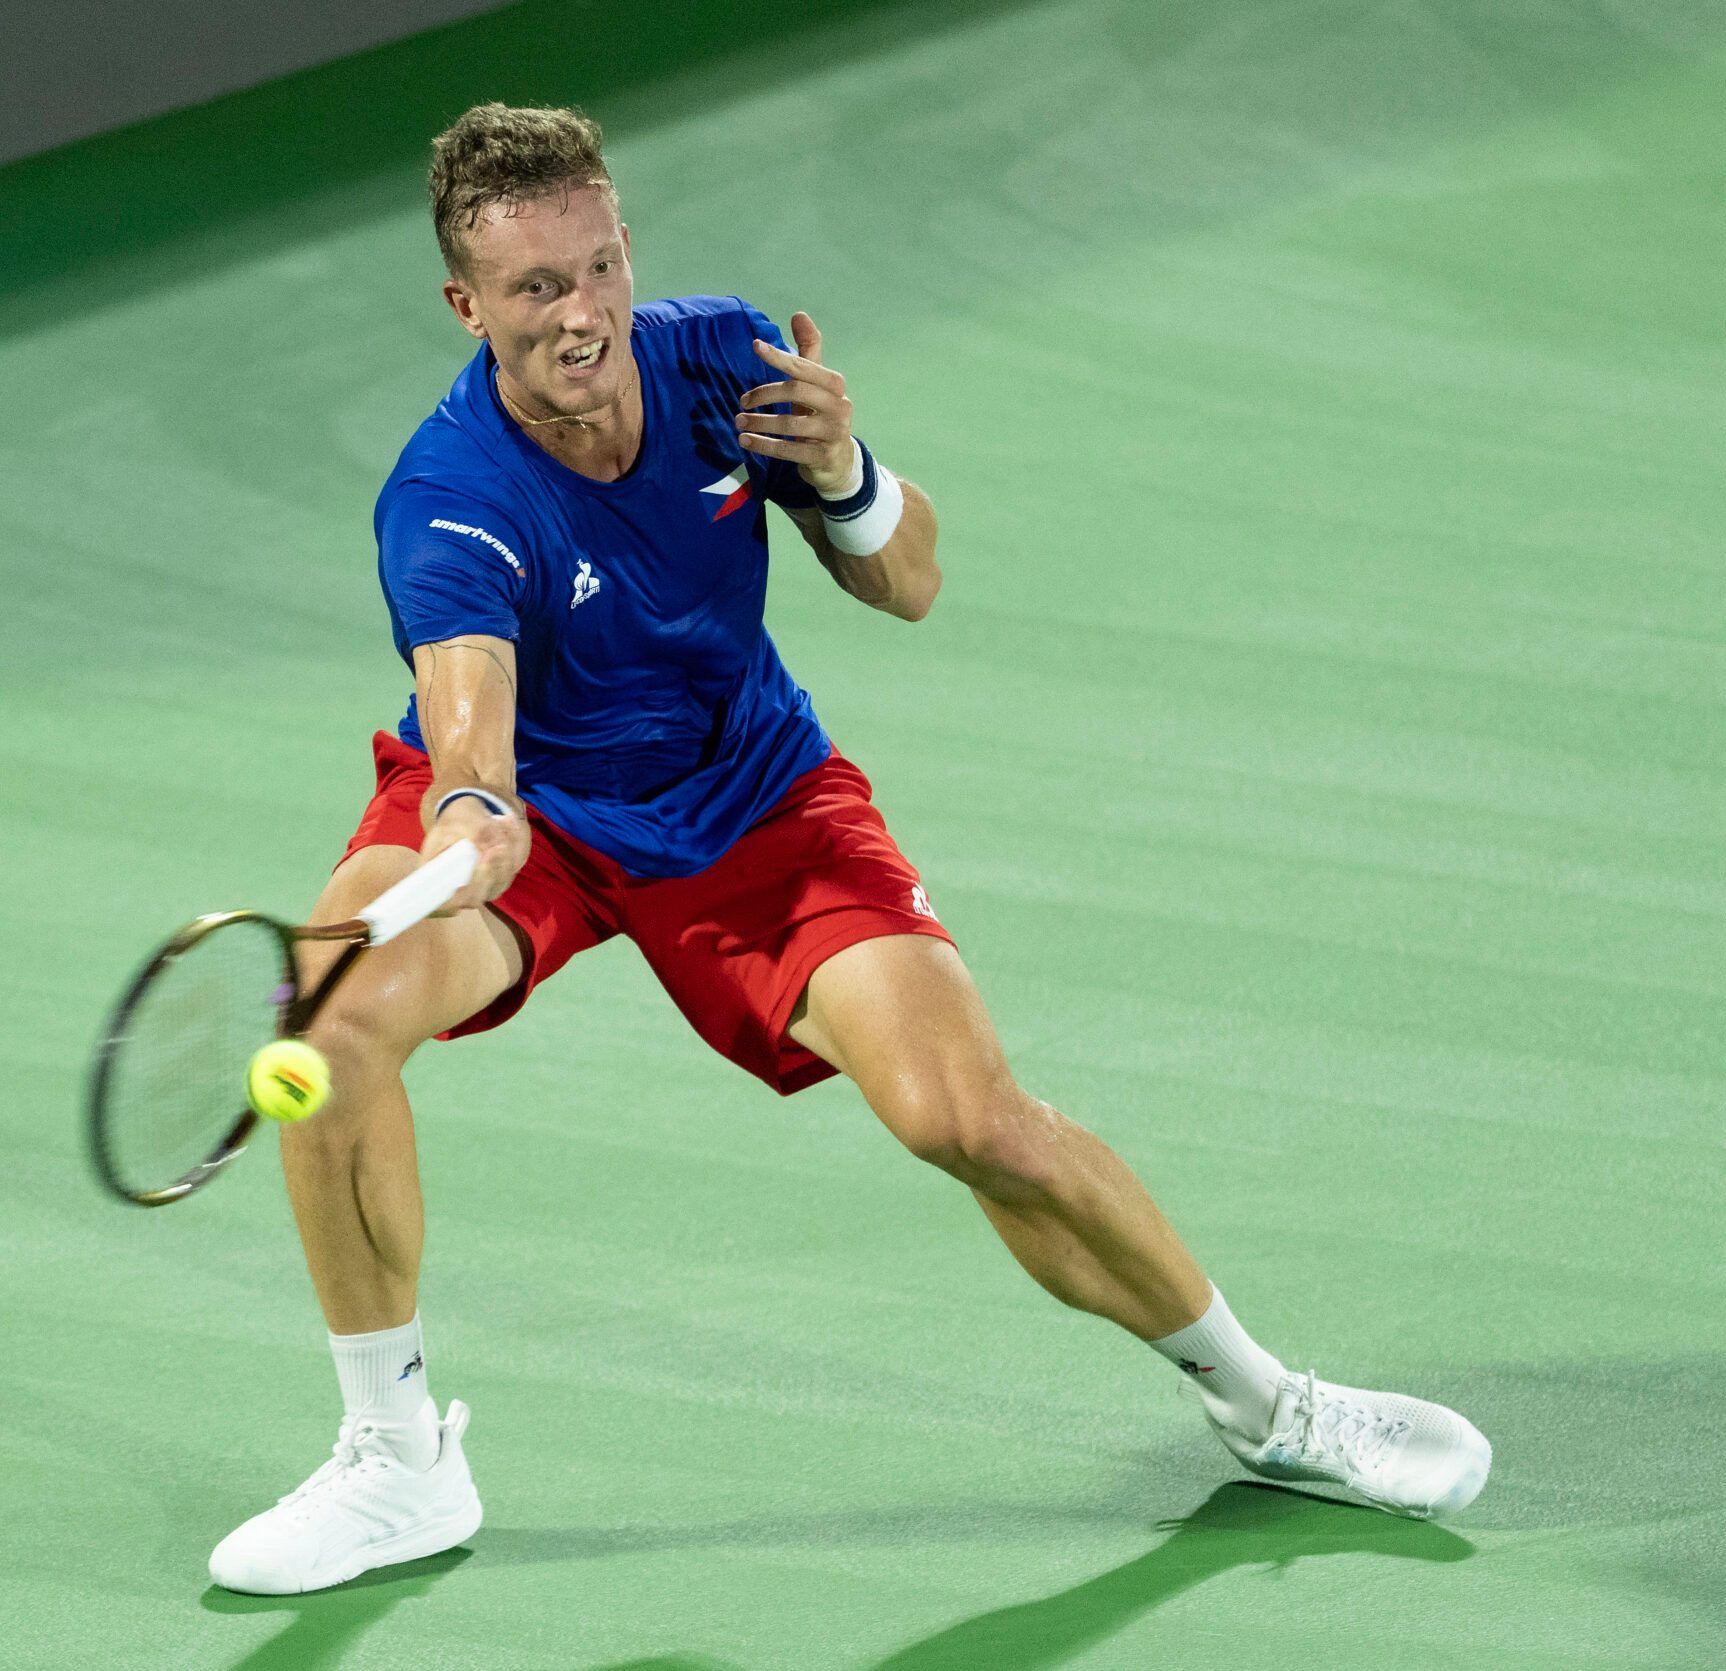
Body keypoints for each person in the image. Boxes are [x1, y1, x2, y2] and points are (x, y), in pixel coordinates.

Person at [207, 103, 1490, 1596]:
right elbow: (468, 726)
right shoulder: (449, 500)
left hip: (755, 802)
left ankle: (1272, 1406)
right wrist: (476, 807)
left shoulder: (723, 362)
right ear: (467, 306)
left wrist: (852, 471)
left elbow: (911, 583)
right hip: (537, 822)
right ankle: (396, 1462)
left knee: (972, 1122)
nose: (583, 312)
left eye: (600, 266)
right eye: (538, 288)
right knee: (331, 1009)